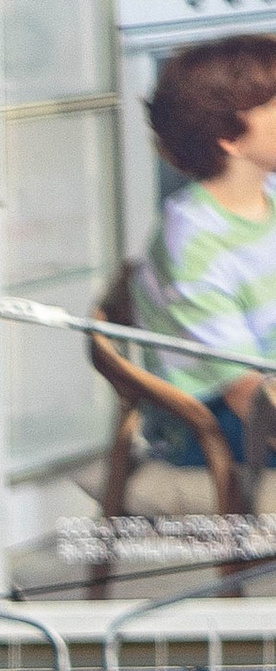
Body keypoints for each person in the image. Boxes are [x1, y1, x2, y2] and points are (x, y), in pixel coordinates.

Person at [129, 34, 276, 481]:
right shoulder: (192, 242)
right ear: (231, 138)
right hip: (216, 427)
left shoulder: (268, 195)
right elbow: (248, 395)